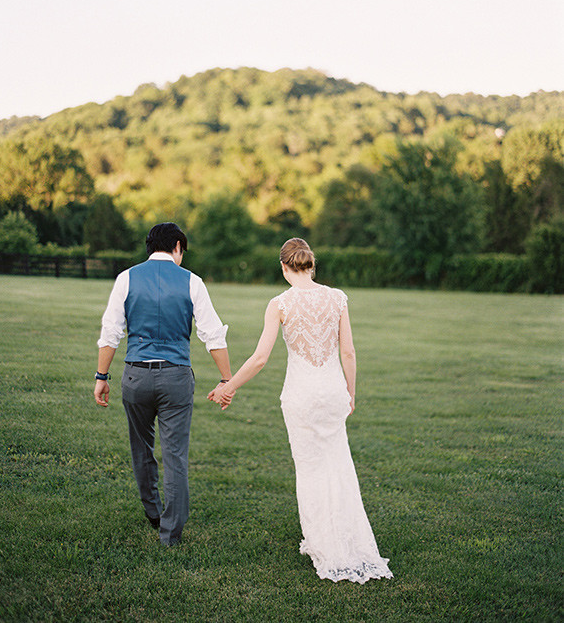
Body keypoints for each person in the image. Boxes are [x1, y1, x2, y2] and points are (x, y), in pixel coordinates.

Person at [209, 237, 393, 583]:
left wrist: (228, 387)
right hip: (334, 391)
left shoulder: (279, 304)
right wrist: (351, 392)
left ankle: (325, 546)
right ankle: (348, 542)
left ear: (284, 267)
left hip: (302, 394)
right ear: (311, 265)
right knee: (338, 465)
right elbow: (348, 352)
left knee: (310, 470)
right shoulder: (337, 298)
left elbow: (260, 358)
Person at [94, 222, 231, 547]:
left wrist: (101, 377)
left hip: (136, 376)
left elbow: (111, 332)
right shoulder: (192, 282)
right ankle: (170, 534)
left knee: (141, 448)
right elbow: (212, 335)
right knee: (175, 455)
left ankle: (153, 512)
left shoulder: (126, 278)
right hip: (175, 378)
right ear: (178, 246)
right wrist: (227, 379)